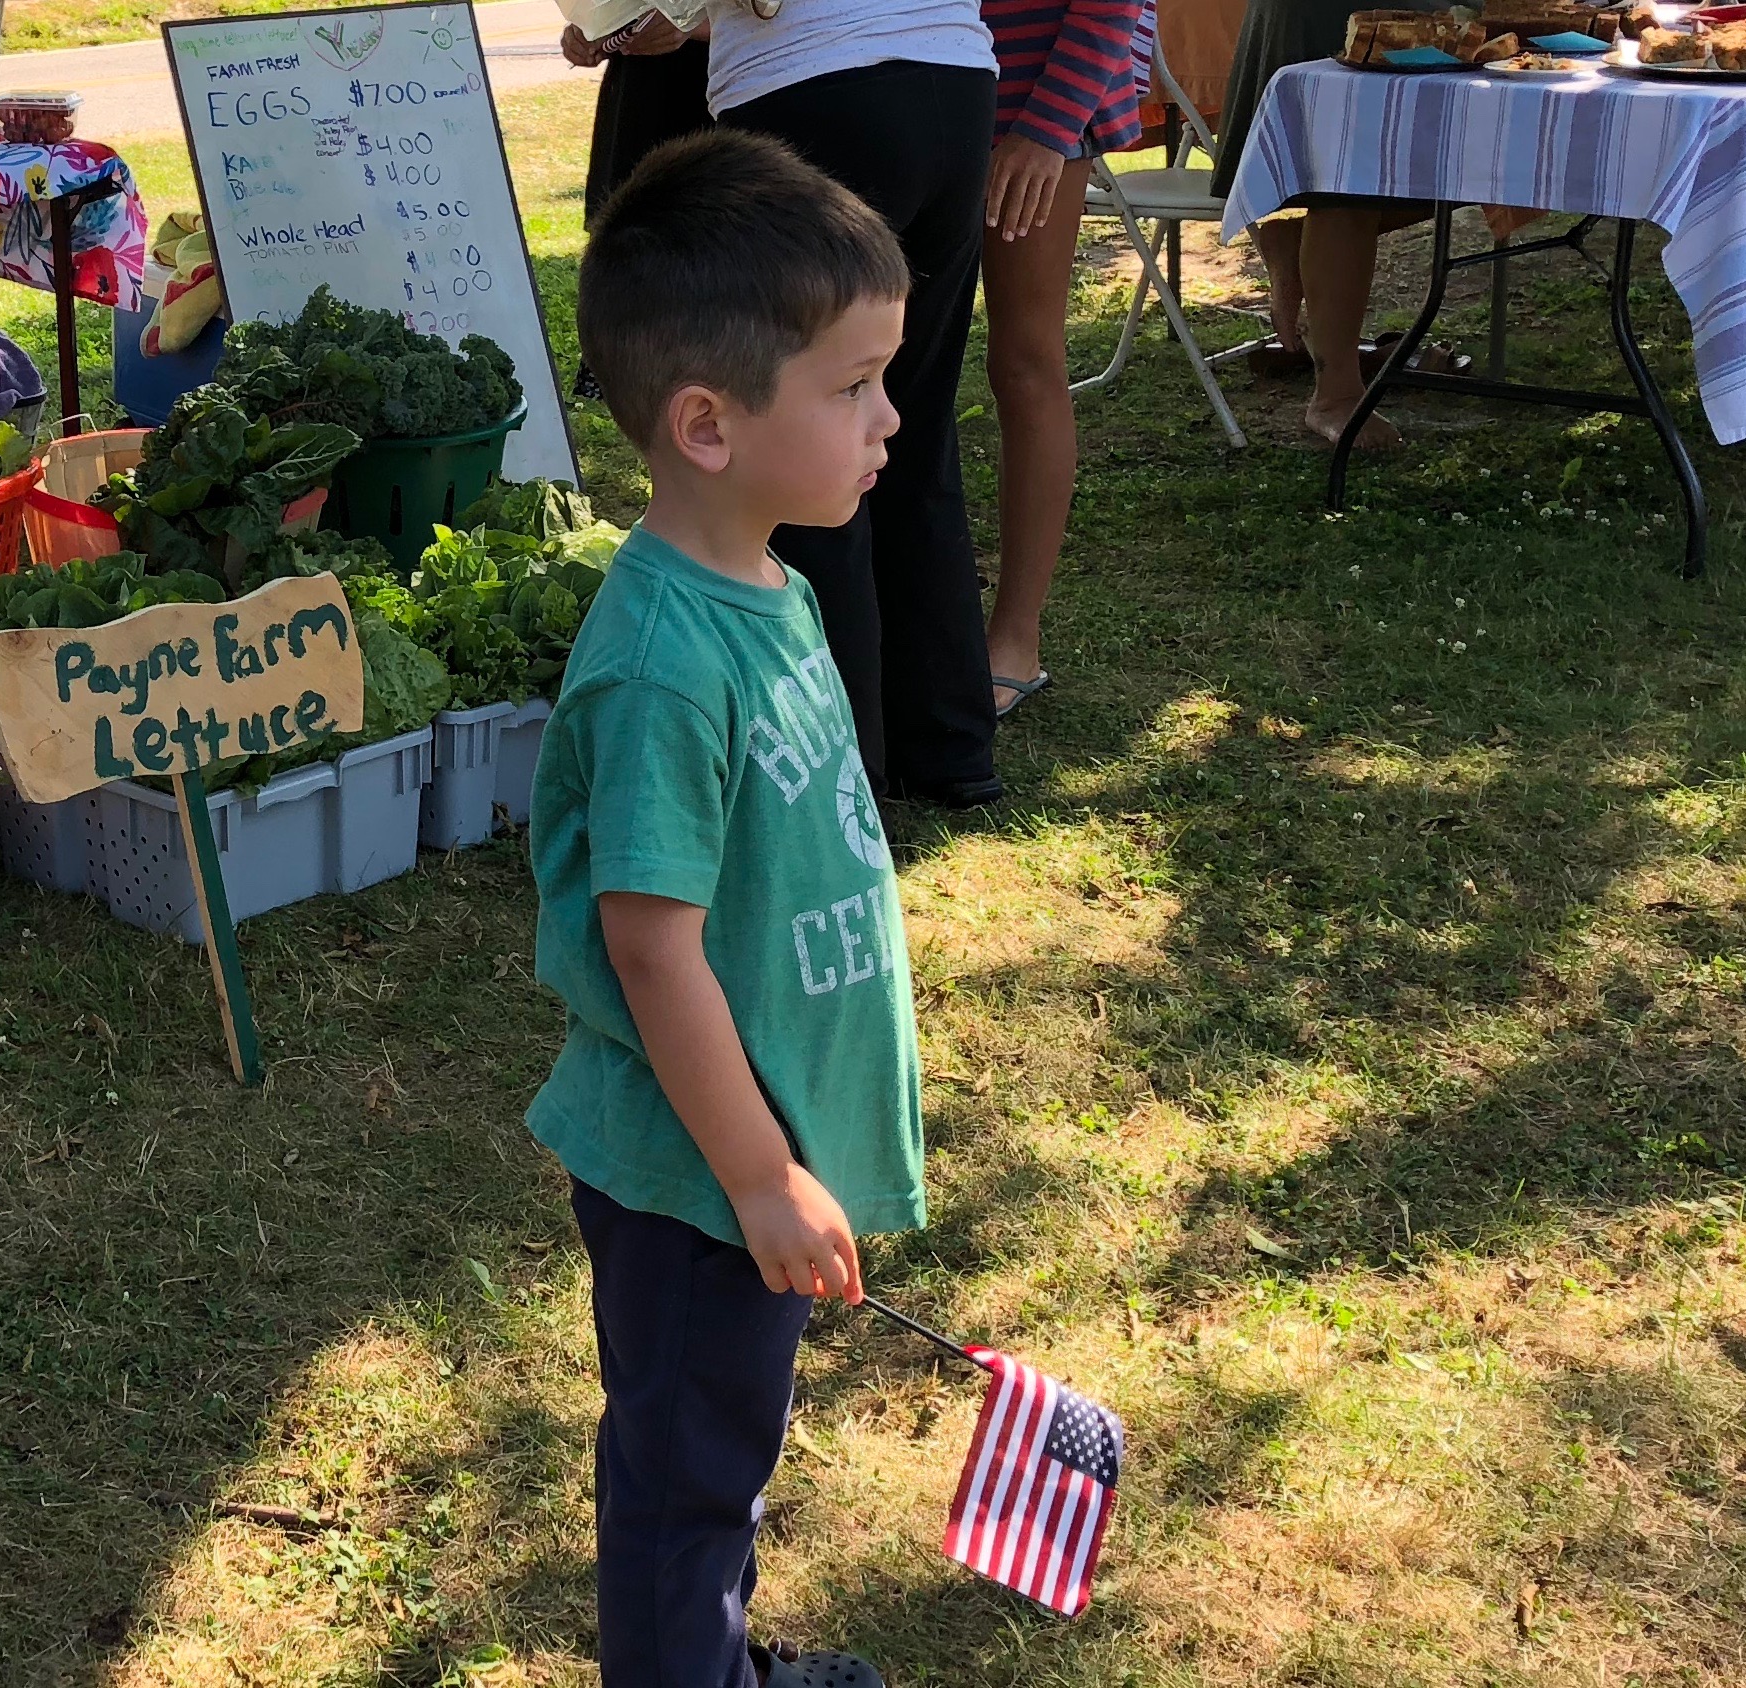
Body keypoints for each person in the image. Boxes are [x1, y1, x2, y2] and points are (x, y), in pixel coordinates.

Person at [541, 128, 927, 1688]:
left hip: (750, 1150)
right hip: (696, 1176)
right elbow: (650, 948)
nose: (889, 417)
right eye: (853, 387)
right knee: (684, 1487)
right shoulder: (660, 665)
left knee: (717, 1449)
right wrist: (760, 1178)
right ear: (707, 423)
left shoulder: (775, 585)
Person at [706, 0, 1007, 808]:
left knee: (806, 448)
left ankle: (839, 774)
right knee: (909, 426)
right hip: (952, 81)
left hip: (816, 89)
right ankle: (948, 744)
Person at [977, 0, 1148, 718]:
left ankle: (1015, 636)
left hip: (1031, 99)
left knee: (1024, 362)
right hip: (906, 84)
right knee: (883, 363)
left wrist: (1048, 127)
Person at [1210, 0, 1438, 448]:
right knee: (1344, 183)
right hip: (1325, 16)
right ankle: (1336, 395)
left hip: (1428, 14)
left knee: (1475, 169)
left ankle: (1299, 253)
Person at [560, 14, 711, 401]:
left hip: (721, 108)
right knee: (630, 268)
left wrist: (695, 26)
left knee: (719, 293)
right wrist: (590, 28)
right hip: (640, 107)